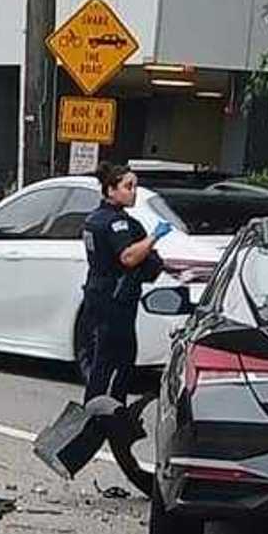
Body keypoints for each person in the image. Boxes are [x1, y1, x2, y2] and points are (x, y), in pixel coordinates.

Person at [80, 161, 172, 403]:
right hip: (115, 298)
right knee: (117, 358)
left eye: (135, 187)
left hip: (101, 294)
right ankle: (107, 410)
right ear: (111, 190)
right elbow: (128, 257)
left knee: (105, 358)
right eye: (128, 186)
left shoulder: (95, 218)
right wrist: (154, 237)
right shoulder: (115, 222)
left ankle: (100, 407)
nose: (134, 192)